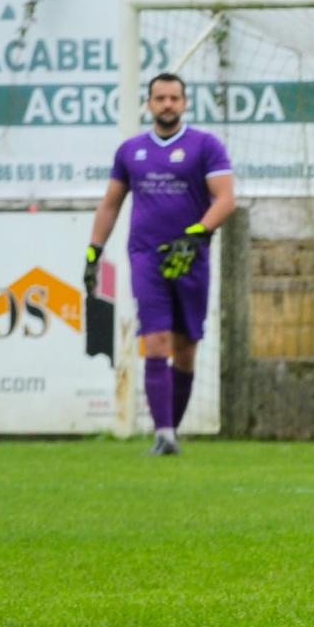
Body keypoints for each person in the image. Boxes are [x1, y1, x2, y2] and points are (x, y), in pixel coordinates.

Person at [86, 72, 236, 456]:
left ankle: (172, 430)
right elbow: (111, 204)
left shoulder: (206, 146)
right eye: (160, 98)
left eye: (174, 98)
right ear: (149, 103)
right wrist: (94, 251)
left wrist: (198, 233)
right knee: (155, 340)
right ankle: (164, 434)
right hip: (147, 256)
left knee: (185, 348)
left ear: (184, 103)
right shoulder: (130, 151)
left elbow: (225, 200)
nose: (167, 104)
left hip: (190, 258)